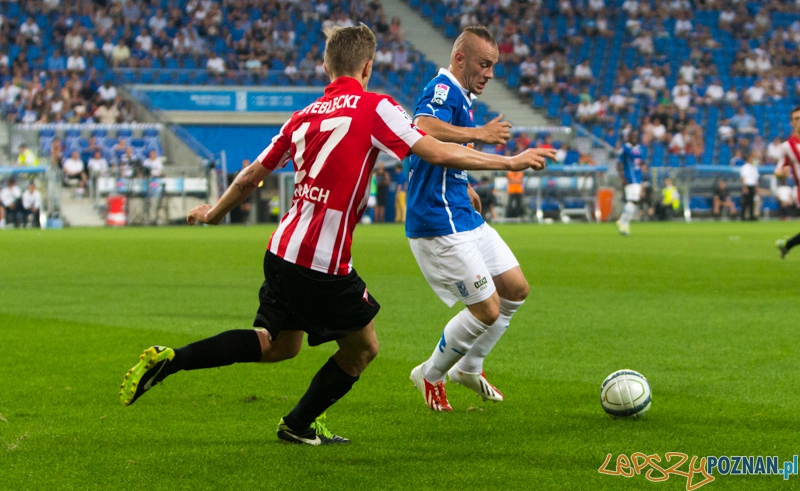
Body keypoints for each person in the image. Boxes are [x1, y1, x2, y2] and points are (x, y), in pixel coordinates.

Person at [119, 24, 554, 444]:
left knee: (278, 345)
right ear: (367, 68)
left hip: (282, 250)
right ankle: (298, 424)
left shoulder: (302, 117)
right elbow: (433, 149)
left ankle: (174, 360)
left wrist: (213, 214)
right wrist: (510, 162)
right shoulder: (376, 107)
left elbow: (251, 176)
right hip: (322, 262)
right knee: (363, 349)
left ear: (326, 68)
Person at [405, 25, 556, 411]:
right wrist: (485, 138)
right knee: (486, 308)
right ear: (460, 59)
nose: (490, 73)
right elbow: (423, 128)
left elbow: (447, 151)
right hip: (438, 220)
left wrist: (464, 182)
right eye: (484, 64)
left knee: (515, 289)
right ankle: (430, 374)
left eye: (493, 66)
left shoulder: (463, 95)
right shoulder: (443, 88)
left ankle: (469, 367)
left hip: (461, 210)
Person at [775, 107, 800, 258]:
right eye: (796, 119)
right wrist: (780, 173)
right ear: (792, 123)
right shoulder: (787, 146)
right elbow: (778, 170)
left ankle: (786, 245)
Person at [616, 132, 643, 236]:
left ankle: (624, 223)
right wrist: (621, 176)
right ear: (628, 138)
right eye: (633, 136)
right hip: (629, 177)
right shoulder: (625, 148)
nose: (635, 138)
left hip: (638, 177)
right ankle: (623, 222)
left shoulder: (639, 148)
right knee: (633, 200)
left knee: (634, 201)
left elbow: (639, 161)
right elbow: (619, 162)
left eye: (636, 136)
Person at [740, 152, 759, 221]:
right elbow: (743, 178)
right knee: (745, 202)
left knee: (752, 202)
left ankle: (751, 216)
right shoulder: (745, 167)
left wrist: (756, 188)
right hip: (747, 185)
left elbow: (756, 179)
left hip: (752, 186)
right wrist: (744, 187)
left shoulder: (754, 168)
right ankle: (743, 216)